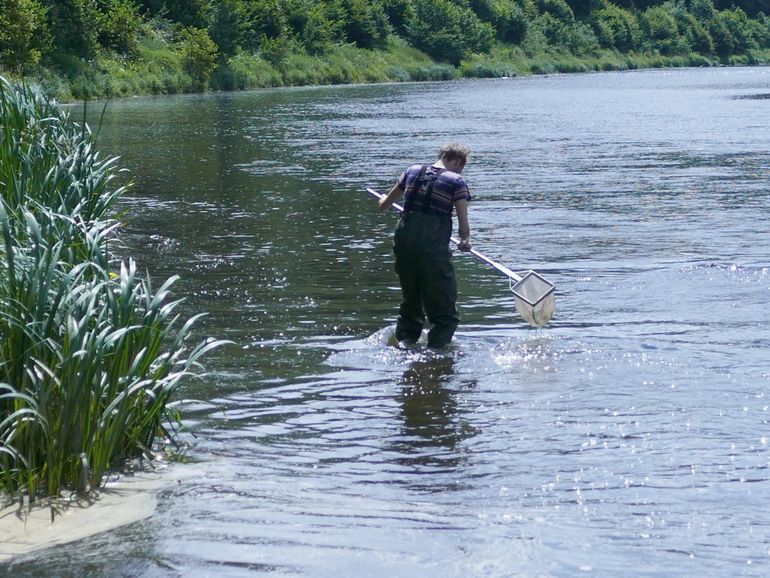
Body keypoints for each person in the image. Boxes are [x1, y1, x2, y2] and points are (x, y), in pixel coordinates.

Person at [378, 142, 472, 349]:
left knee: (411, 302)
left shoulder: (412, 171)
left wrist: (385, 198)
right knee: (444, 312)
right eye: (461, 166)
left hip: (404, 248)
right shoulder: (457, 182)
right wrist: (465, 241)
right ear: (457, 161)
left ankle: (405, 346)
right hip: (433, 252)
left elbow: (384, 205)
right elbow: (463, 226)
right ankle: (436, 354)